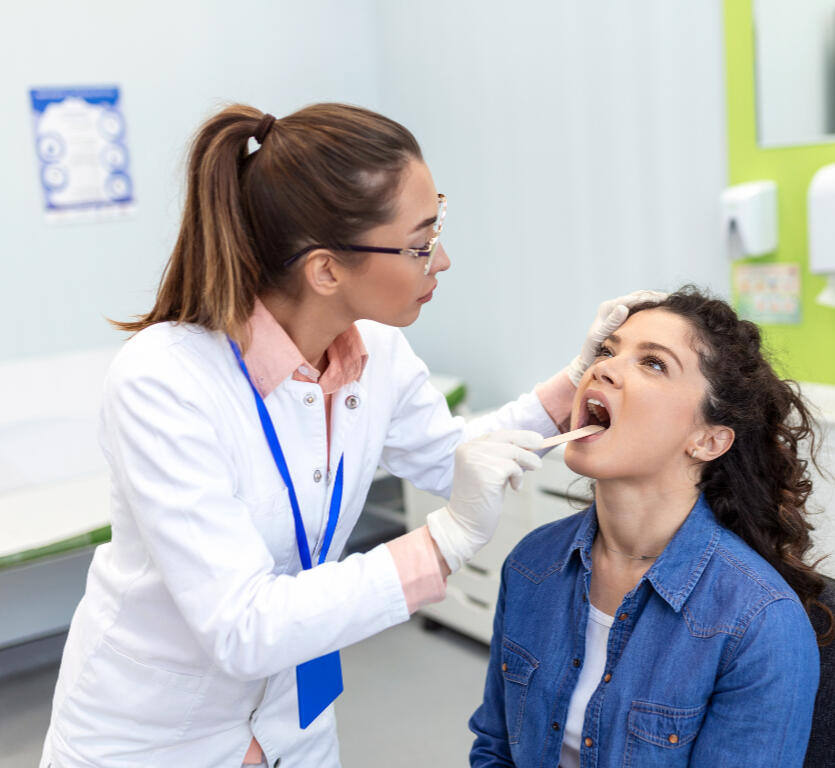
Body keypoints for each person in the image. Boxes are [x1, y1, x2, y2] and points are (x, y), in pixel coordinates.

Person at [39, 102, 660, 768]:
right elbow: (242, 626)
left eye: (438, 225)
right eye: (421, 242)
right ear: (326, 270)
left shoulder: (377, 354)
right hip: (151, 736)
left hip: (293, 720)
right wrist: (443, 543)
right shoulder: (164, 380)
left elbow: (454, 456)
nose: (442, 259)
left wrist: (573, 380)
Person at [469, 286, 832, 767]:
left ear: (708, 440)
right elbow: (495, 748)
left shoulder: (760, 623)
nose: (602, 368)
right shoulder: (533, 563)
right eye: (607, 350)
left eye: (654, 363)